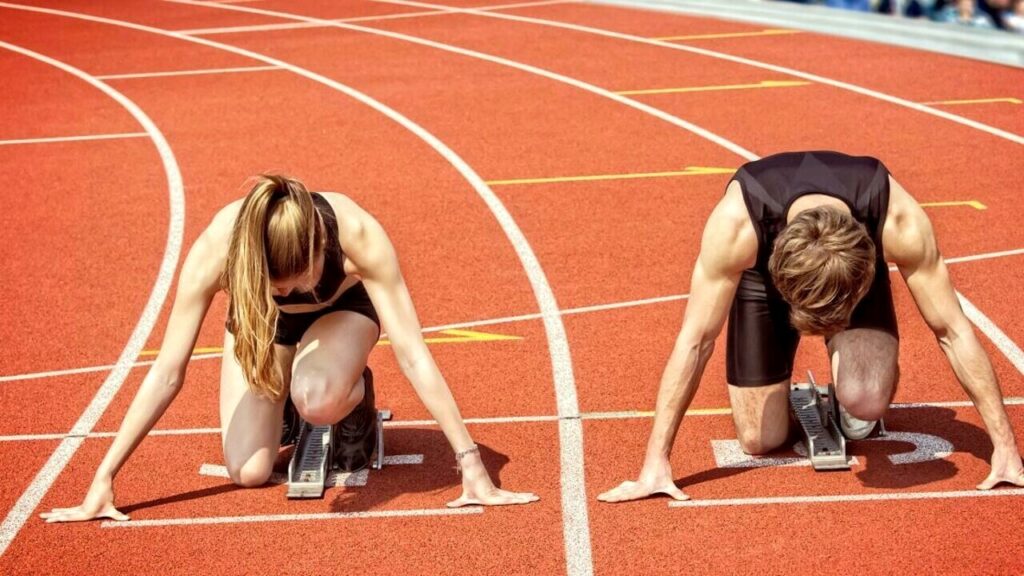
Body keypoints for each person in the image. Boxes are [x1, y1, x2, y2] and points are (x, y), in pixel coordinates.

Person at [42, 174, 539, 523]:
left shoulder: (357, 235)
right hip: (263, 329)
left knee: (318, 397)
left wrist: (472, 467)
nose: (284, 293)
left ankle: (351, 392)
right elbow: (169, 371)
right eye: (271, 285)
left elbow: (413, 352)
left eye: (292, 283)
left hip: (342, 314)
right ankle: (284, 396)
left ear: (319, 251)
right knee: (249, 471)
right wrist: (105, 476)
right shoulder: (218, 248)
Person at [598, 151, 1024, 503]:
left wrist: (1005, 449)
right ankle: (787, 375)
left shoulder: (896, 221)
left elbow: (952, 330)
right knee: (759, 440)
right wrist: (656, 461)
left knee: (866, 401)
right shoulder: (737, 227)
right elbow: (696, 342)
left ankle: (849, 382)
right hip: (762, 275)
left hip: (851, 271)